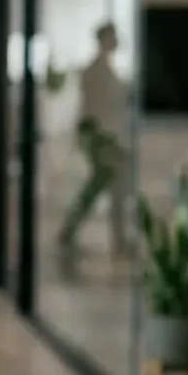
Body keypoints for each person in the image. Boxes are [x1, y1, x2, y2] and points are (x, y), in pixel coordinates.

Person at [57, 22, 129, 256]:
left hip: (102, 135)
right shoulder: (96, 70)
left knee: (101, 186)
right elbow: (98, 107)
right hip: (99, 135)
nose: (117, 41)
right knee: (106, 185)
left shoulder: (104, 68)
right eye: (113, 36)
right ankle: (74, 232)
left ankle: (71, 231)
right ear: (104, 39)